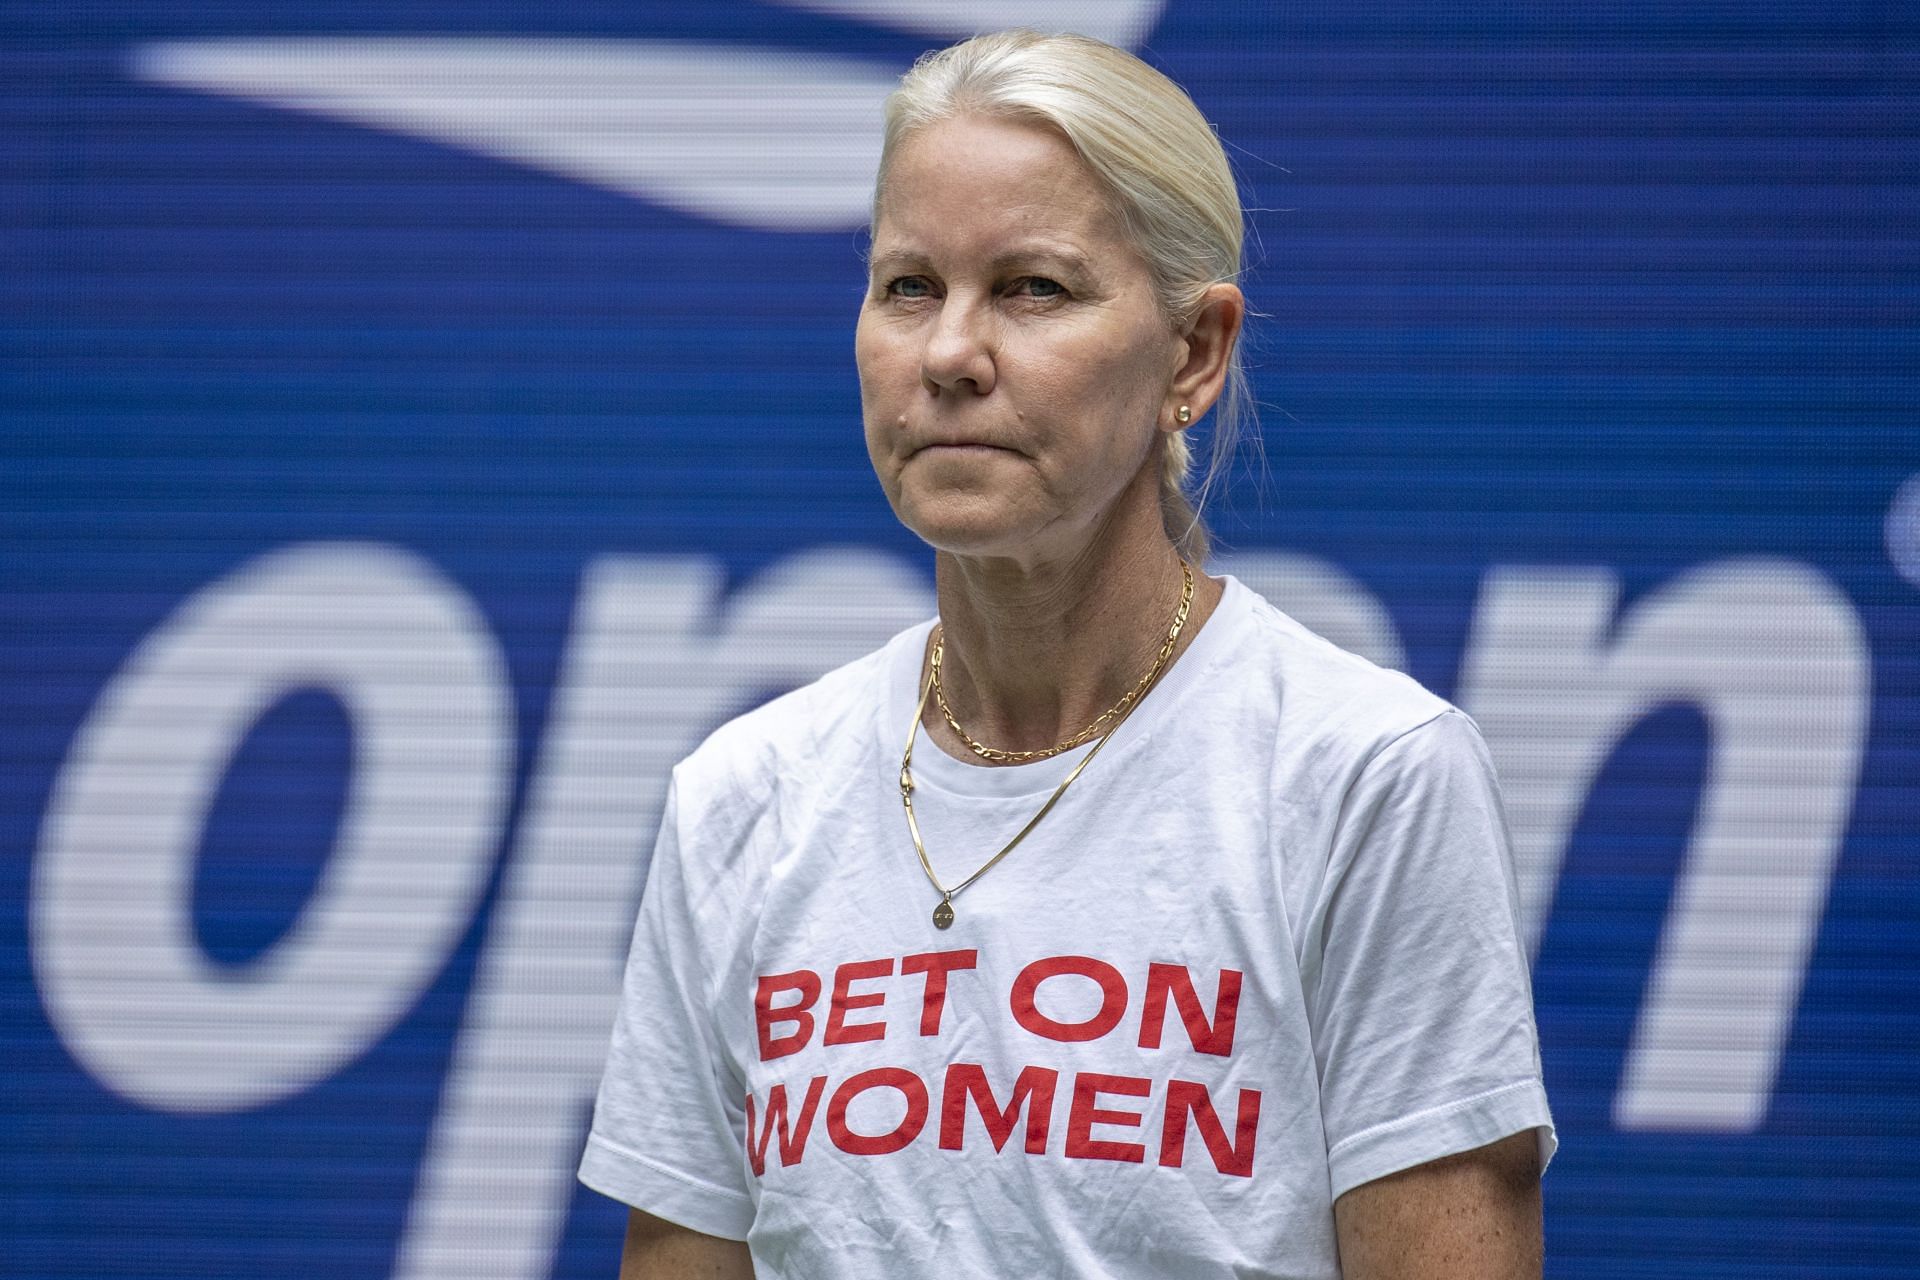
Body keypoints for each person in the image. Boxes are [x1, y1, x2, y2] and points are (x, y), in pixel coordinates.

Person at [578, 27, 1555, 1279]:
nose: (949, 356)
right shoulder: (743, 794)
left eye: (1033, 288)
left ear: (1192, 354)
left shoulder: (1364, 775)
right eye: (908, 287)